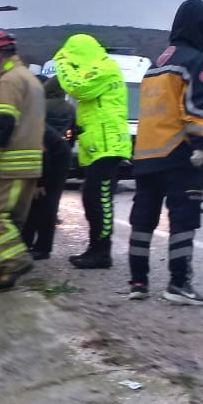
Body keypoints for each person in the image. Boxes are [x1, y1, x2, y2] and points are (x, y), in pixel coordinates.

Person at [127, 0, 203, 304]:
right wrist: (201, 146)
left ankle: (138, 283)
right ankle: (178, 284)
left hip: (145, 155)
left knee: (143, 220)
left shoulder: (156, 64)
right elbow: (194, 109)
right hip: (178, 155)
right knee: (184, 219)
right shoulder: (196, 62)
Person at [0, 30, 45, 290]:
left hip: (10, 164)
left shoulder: (9, 81)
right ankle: (3, 274)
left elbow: (3, 125)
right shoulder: (31, 80)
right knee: (11, 221)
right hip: (30, 165)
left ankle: (15, 260)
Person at [52, 34, 132, 269]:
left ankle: (102, 251)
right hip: (99, 145)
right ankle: (96, 247)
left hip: (108, 146)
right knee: (91, 197)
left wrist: (62, 62)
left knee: (99, 198)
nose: (71, 65)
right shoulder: (99, 67)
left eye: (73, 59)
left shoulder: (105, 68)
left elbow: (79, 88)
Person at [21, 77, 76, 260]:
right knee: (51, 202)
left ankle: (36, 246)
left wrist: (40, 180)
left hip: (48, 150)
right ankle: (40, 245)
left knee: (36, 200)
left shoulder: (39, 108)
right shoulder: (70, 108)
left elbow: (41, 147)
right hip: (61, 152)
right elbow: (73, 132)